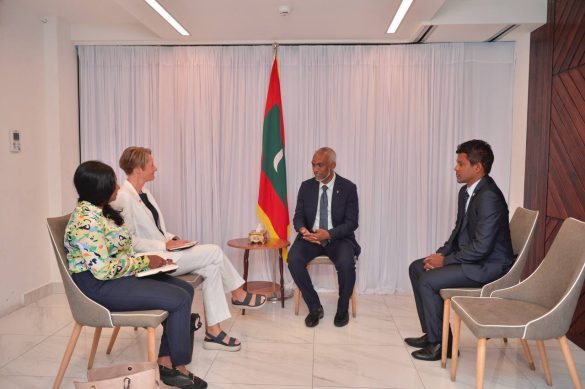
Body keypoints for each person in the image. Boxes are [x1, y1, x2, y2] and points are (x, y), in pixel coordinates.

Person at [65, 161, 207, 389]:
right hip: (98, 287)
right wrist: (144, 261)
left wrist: (151, 263)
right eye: (113, 183)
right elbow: (102, 270)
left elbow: (116, 254)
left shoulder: (99, 211)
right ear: (101, 189)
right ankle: (176, 367)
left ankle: (165, 359)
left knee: (186, 289)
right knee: (179, 299)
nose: (118, 188)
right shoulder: (86, 222)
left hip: (115, 278)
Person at [111, 146, 266, 352]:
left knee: (211, 269)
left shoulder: (145, 193)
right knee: (214, 251)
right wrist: (164, 245)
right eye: (151, 164)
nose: (155, 168)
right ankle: (238, 294)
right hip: (151, 261)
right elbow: (128, 242)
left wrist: (173, 238)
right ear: (138, 169)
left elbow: (156, 230)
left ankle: (214, 332)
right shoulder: (123, 197)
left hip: (164, 251)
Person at [406, 139, 514, 361]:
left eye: (460, 163)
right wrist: (440, 255)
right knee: (417, 268)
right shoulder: (467, 192)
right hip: (474, 259)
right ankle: (434, 334)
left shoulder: (489, 197)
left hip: (488, 267)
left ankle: (440, 347)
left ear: (477, 167)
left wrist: (444, 262)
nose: (455, 167)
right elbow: (458, 233)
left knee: (428, 280)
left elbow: (482, 248)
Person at [288, 147, 360, 328]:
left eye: (320, 165)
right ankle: (314, 307)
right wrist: (303, 229)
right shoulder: (306, 186)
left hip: (338, 238)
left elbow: (352, 222)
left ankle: (342, 308)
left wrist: (328, 234)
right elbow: (298, 216)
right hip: (311, 238)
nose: (315, 169)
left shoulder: (348, 188)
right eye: (313, 165)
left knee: (345, 263)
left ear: (332, 165)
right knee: (294, 259)